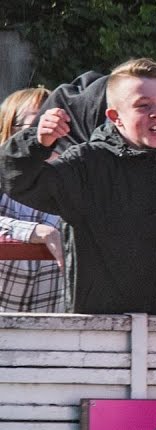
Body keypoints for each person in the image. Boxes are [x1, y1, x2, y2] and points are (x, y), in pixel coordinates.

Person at [0, 58, 156, 315]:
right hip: (99, 331)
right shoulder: (85, 164)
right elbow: (15, 177)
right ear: (115, 117)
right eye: (143, 106)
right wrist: (36, 140)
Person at [0, 87, 64, 312]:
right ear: (10, 129)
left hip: (53, 328)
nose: (48, 136)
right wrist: (36, 232)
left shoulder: (72, 177)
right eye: (37, 126)